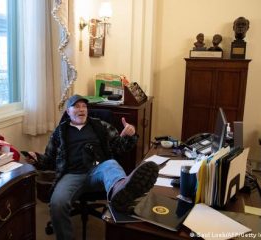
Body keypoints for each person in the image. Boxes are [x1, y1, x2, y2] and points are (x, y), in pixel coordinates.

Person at [23, 94, 159, 240]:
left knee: (111, 164)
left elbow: (121, 147)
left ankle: (120, 191)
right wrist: (36, 159)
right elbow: (49, 160)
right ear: (68, 112)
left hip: (98, 171)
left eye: (84, 106)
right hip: (71, 175)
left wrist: (129, 135)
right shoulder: (59, 132)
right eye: (76, 106)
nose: (81, 109)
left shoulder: (100, 125)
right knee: (57, 204)